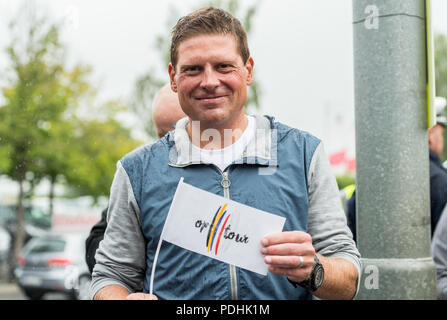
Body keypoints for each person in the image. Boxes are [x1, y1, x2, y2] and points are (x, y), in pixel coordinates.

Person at [90, 7, 360, 300]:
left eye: (223, 66)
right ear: (173, 77)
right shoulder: (137, 170)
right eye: (193, 69)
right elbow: (109, 275)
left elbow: (348, 281)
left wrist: (314, 269)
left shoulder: (304, 153)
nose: (209, 81)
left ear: (248, 70)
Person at [85, 84, 186, 274]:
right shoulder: (142, 177)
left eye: (181, 132)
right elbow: (97, 245)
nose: (169, 143)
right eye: (162, 135)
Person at [345, 97, 447, 241]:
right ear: (430, 134)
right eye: (440, 134)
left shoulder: (372, 176)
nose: (441, 139)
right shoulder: (438, 180)